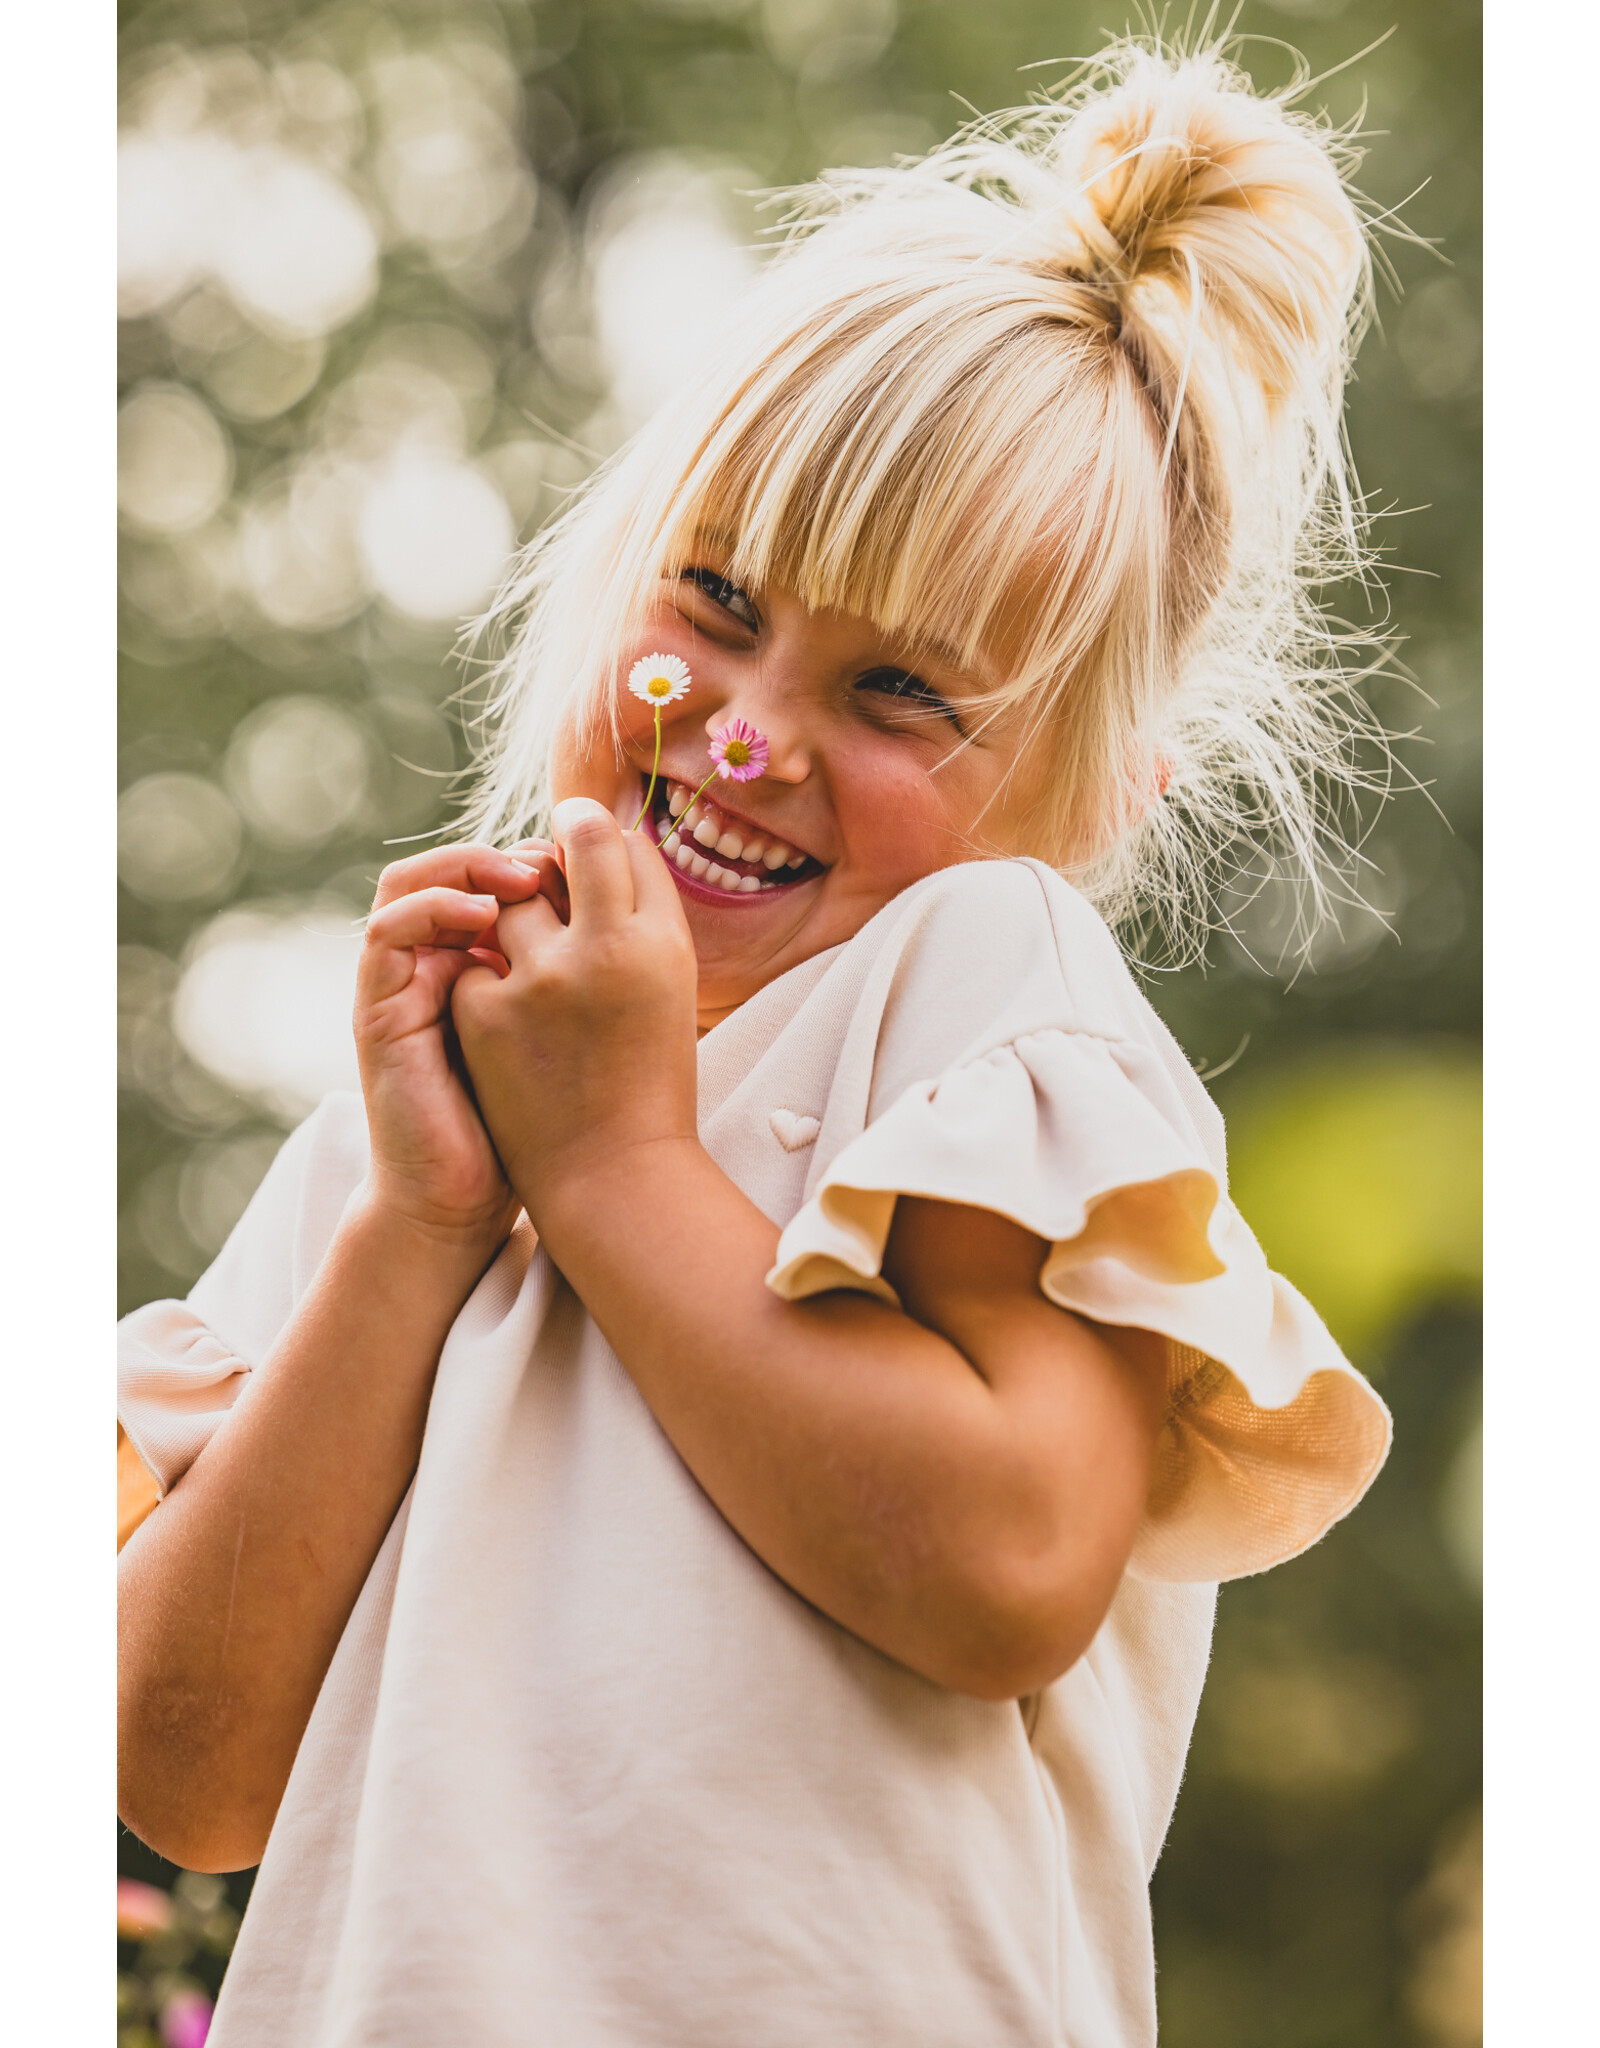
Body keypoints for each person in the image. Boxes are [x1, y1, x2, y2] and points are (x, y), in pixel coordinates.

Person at [118, 37, 1397, 2047]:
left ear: (1087, 795)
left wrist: (618, 1170)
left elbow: (1008, 1563)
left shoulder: (979, 986)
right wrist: (423, 1222)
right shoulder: (421, 1106)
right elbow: (184, 1767)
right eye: (712, 602)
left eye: (897, 693)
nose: (740, 728)